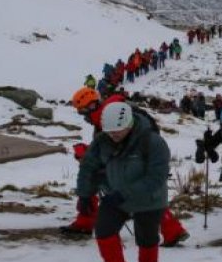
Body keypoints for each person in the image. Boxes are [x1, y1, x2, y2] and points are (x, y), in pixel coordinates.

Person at [67, 88, 189, 247]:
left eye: (82, 112)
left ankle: (85, 222)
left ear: (91, 106)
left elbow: (122, 145)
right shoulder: (107, 116)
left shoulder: (110, 115)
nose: (84, 117)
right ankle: (173, 230)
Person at [76, 102, 170, 262]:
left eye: (117, 131)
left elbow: (156, 178)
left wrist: (123, 194)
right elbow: (88, 167)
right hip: (116, 197)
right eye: (109, 131)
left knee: (147, 240)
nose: (113, 135)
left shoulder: (152, 142)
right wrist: (85, 194)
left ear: (129, 123)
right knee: (103, 230)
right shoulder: (103, 141)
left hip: (149, 200)